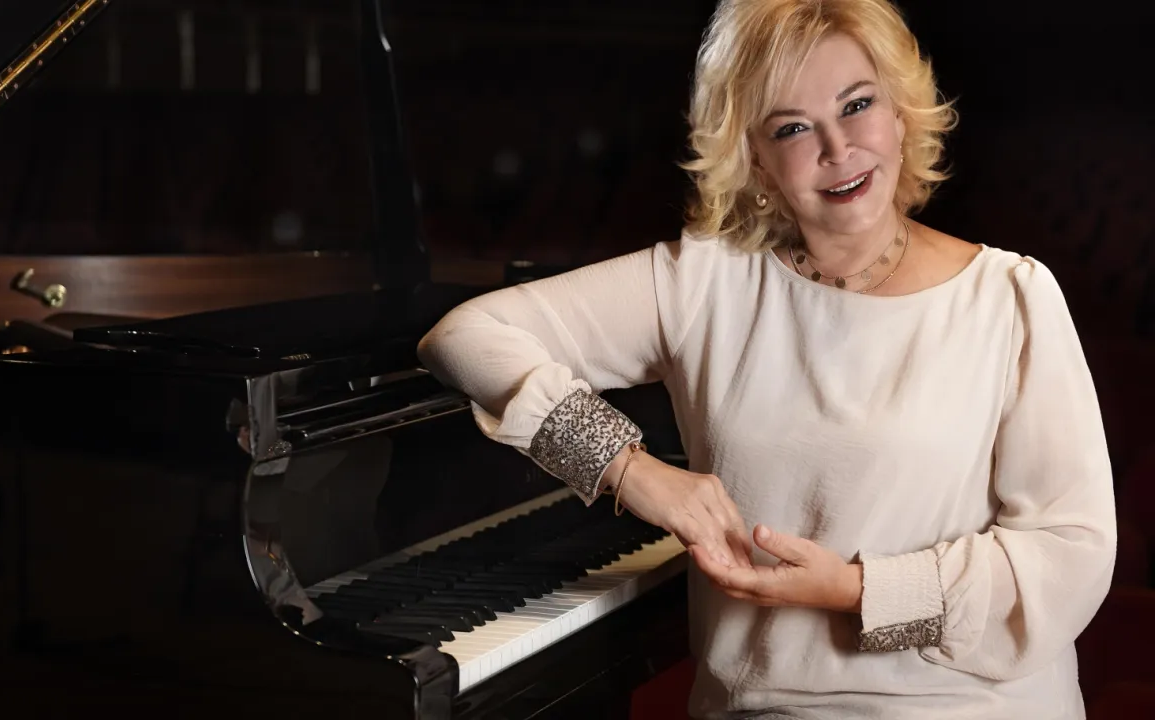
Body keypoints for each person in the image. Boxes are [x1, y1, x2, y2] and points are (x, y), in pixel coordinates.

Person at [416, 0, 1117, 717]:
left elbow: (1069, 550)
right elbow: (463, 337)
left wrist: (858, 590)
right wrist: (631, 471)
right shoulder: (703, 283)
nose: (837, 148)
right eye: (791, 128)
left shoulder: (1009, 295)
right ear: (753, 156)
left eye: (857, 105)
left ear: (902, 113)